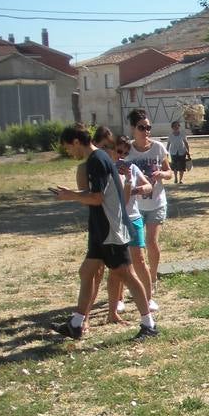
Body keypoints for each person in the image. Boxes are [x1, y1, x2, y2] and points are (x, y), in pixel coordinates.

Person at [50, 125, 157, 341]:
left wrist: (71, 196)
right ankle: (76, 324)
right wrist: (73, 193)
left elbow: (97, 198)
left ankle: (149, 325)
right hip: (101, 228)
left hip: (111, 229)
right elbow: (97, 194)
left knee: (126, 274)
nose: (69, 152)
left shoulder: (97, 160)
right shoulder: (99, 158)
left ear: (76, 142)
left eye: (68, 147)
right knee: (86, 272)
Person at [101, 132, 154, 322]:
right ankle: (118, 300)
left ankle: (148, 298)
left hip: (134, 218)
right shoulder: (107, 171)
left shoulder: (131, 167)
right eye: (119, 151)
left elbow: (148, 186)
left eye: (125, 152)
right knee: (118, 265)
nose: (121, 156)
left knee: (139, 259)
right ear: (111, 150)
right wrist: (127, 184)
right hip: (116, 222)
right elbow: (116, 199)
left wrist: (138, 189)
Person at [127, 109, 172, 309]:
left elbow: (169, 172)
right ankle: (137, 282)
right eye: (142, 127)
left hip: (156, 203)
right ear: (133, 128)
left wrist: (162, 174)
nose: (146, 131)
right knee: (136, 249)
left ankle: (152, 279)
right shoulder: (127, 150)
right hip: (135, 207)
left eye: (148, 127)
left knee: (152, 242)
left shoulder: (158, 148)